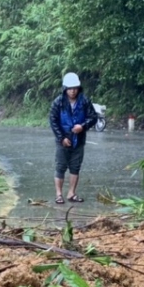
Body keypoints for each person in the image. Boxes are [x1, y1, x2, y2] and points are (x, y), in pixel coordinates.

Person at [49, 71, 98, 204]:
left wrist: (82, 126)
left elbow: (93, 117)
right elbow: (53, 121)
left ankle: (71, 193)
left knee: (75, 167)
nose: (73, 91)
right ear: (65, 89)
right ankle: (59, 194)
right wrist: (61, 138)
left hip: (79, 140)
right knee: (60, 166)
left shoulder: (84, 101)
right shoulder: (58, 102)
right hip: (63, 140)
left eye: (75, 88)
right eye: (70, 88)